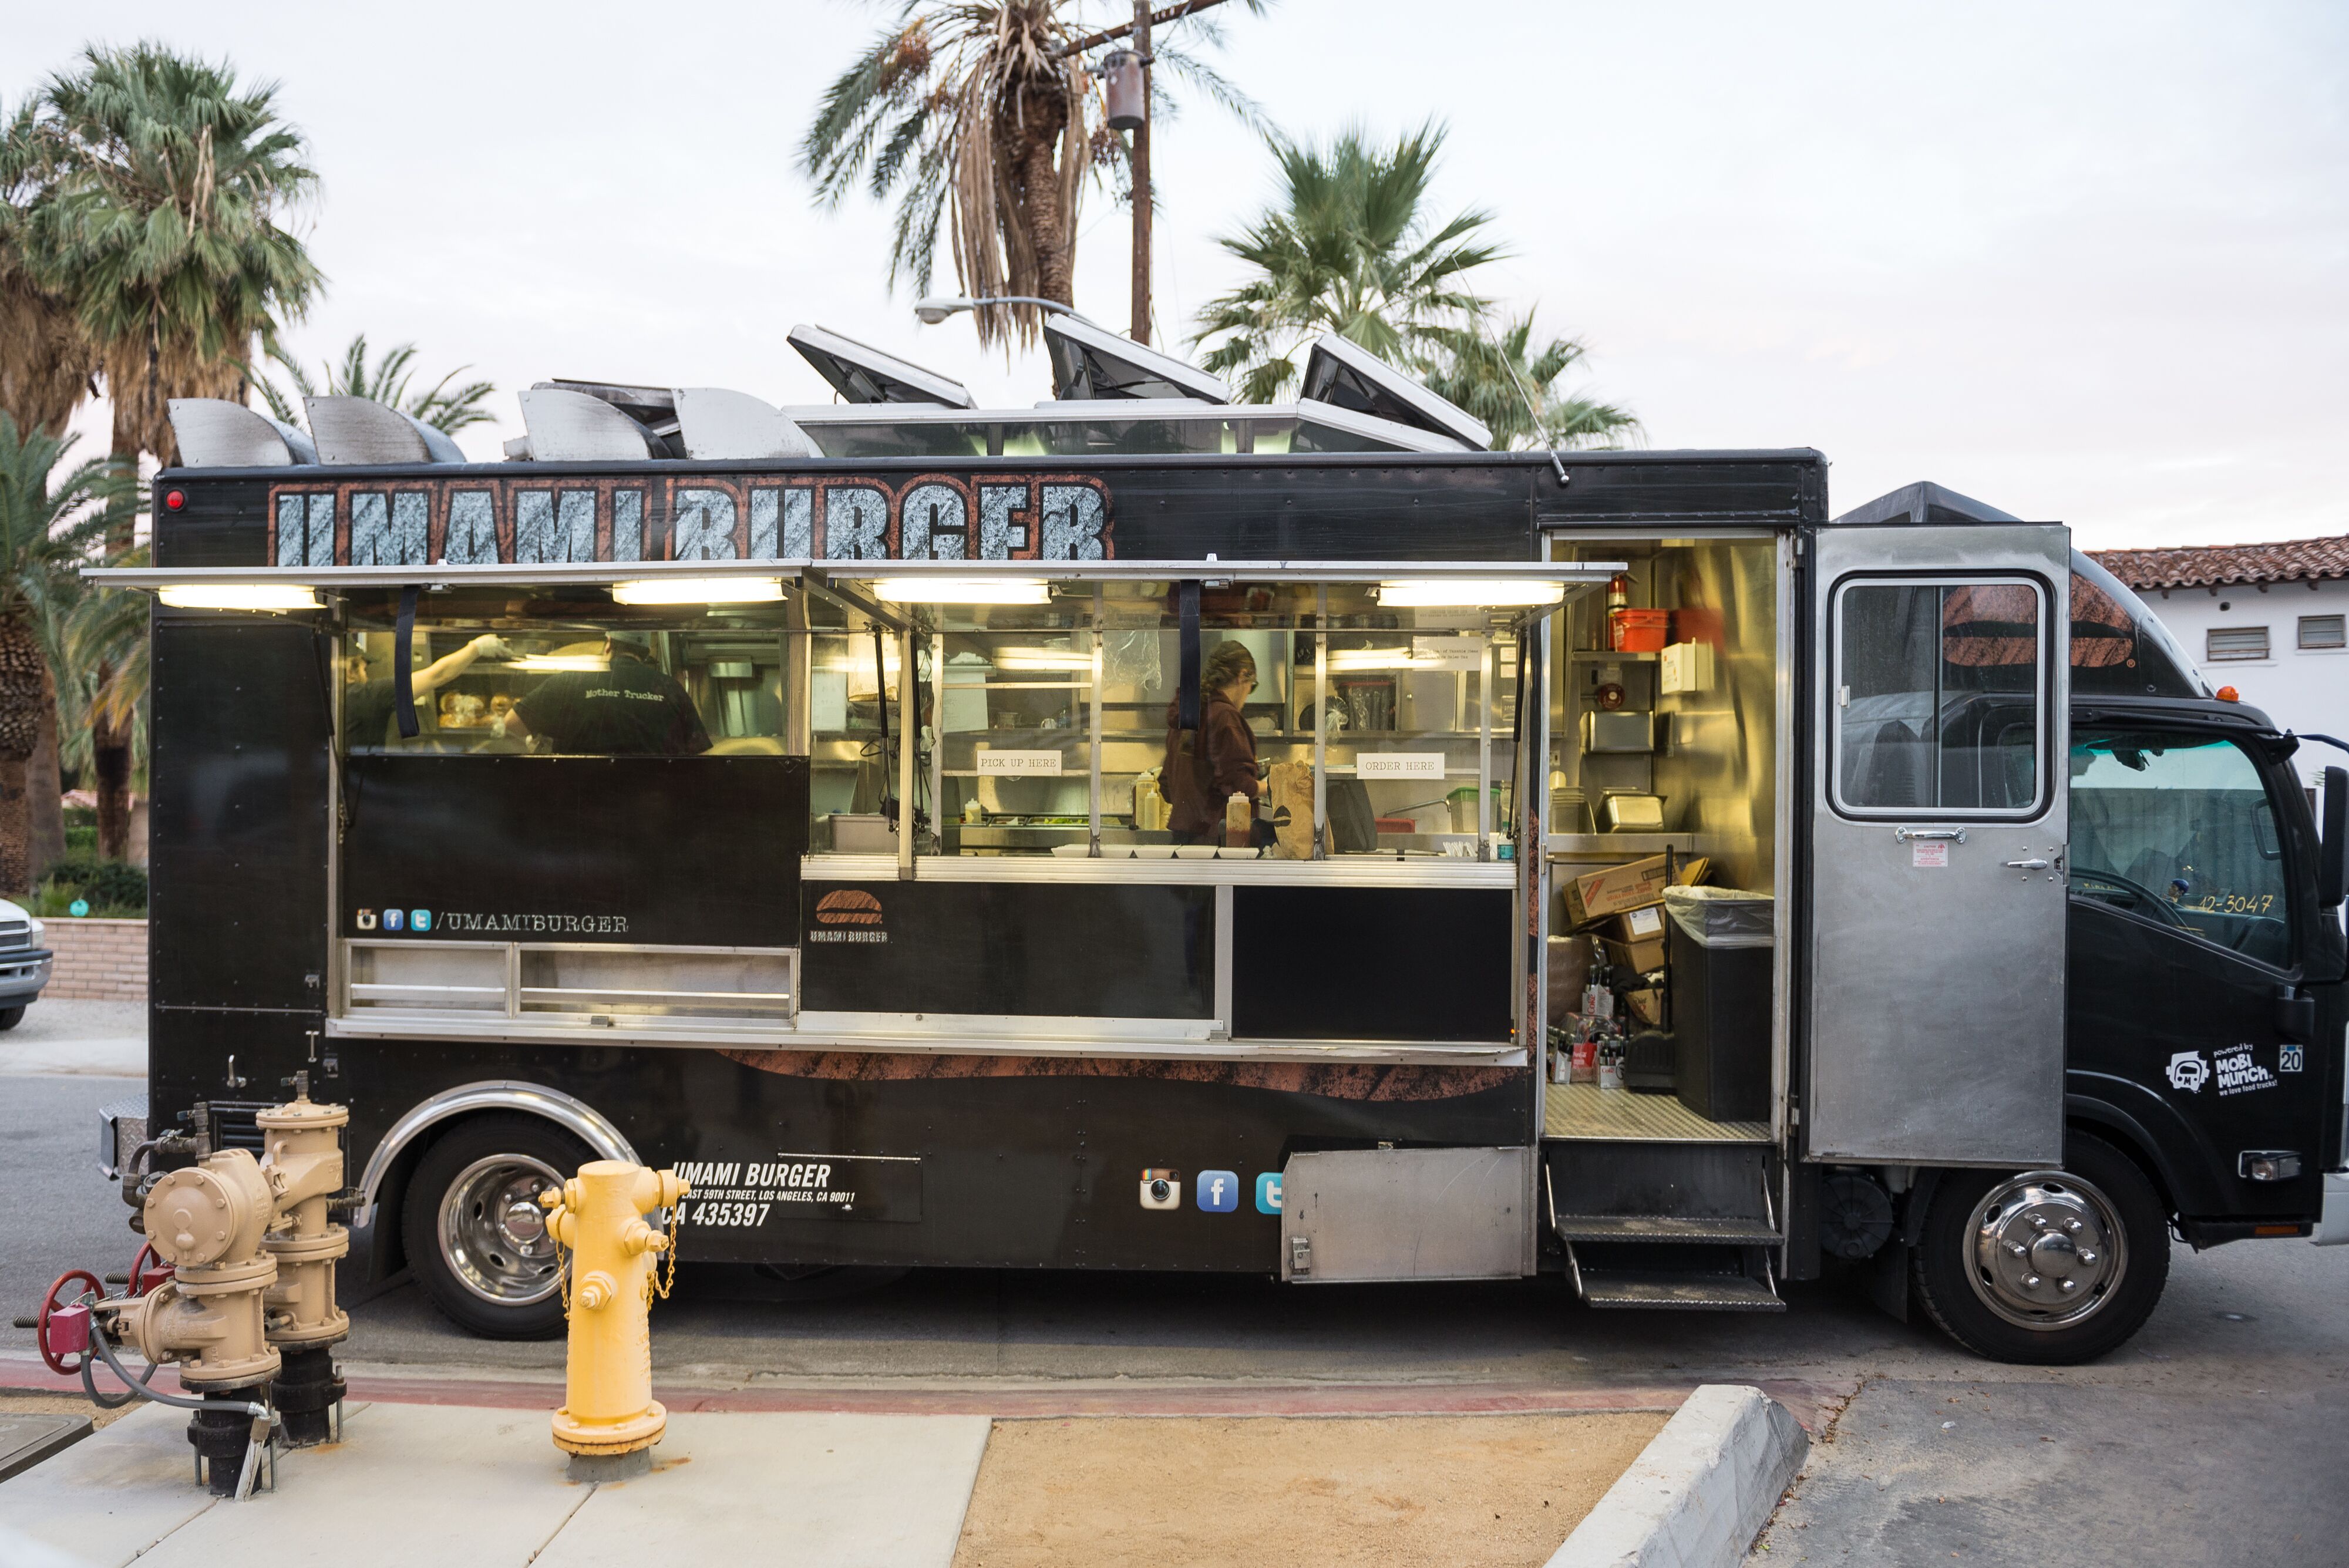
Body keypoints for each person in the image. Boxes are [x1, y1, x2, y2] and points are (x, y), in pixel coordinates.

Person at [499, 631, 712, 756]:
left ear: (609, 644)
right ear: (646, 653)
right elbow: (699, 751)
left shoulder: (571, 680)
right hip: (654, 806)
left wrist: (544, 739)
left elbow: (511, 724)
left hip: (582, 802)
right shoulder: (670, 688)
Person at [1162, 640, 1263, 846]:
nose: (1247, 696)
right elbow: (1239, 786)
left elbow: (1166, 784)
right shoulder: (1225, 716)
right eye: (1251, 687)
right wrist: (1269, 787)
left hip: (1183, 840)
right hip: (1217, 842)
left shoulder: (1186, 715)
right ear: (1243, 675)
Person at [341, 634, 510, 751]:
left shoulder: (335, 699)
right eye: (364, 669)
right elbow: (438, 675)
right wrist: (477, 648)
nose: (366, 675)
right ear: (350, 670)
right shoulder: (365, 696)